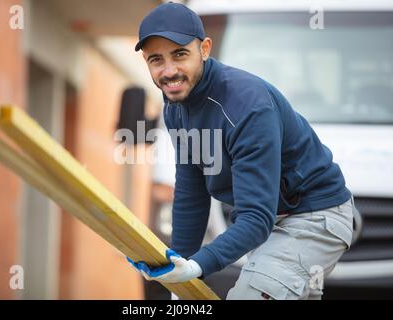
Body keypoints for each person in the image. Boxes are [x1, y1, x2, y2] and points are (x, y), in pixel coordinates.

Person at [128, 2, 354, 300]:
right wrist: (178, 277)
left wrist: (198, 265)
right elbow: (192, 192)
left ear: (205, 49)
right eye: (156, 60)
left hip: (312, 217)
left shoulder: (246, 105)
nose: (169, 71)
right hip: (272, 225)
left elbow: (255, 217)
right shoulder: (175, 108)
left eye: (180, 54)